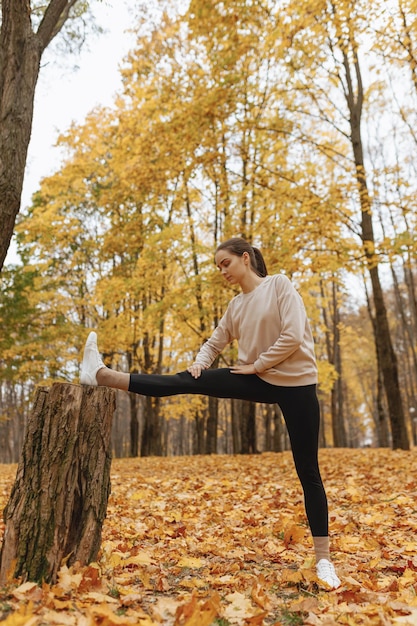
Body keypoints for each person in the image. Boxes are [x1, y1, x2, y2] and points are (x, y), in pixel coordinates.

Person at [80, 237, 341, 589]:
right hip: (258, 378)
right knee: (186, 381)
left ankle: (324, 560)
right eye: (219, 267)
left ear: (245, 259)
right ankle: (104, 376)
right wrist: (200, 365)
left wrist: (257, 364)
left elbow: (293, 335)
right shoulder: (236, 306)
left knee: (308, 470)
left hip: (297, 384)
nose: (223, 272)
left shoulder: (279, 285)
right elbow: (216, 341)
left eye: (225, 264)